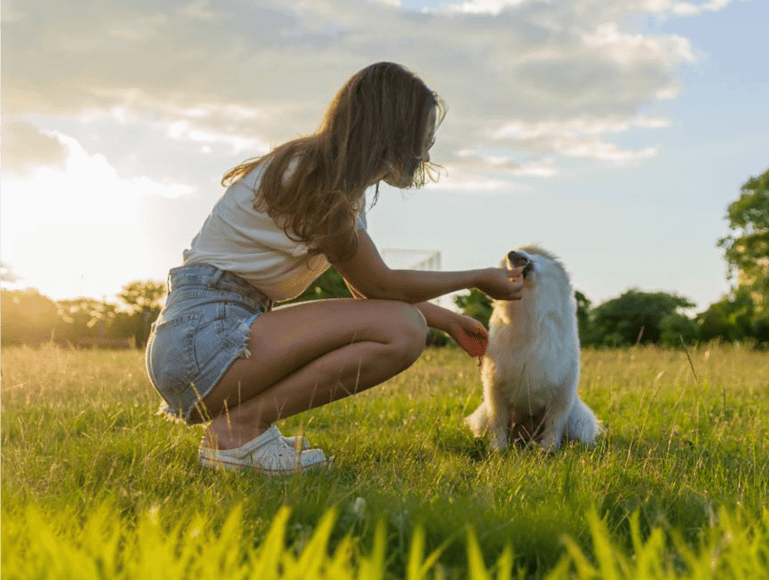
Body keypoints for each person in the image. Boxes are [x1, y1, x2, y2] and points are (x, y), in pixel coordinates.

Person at [145, 62, 524, 474]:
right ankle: (239, 432)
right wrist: (478, 278)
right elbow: (381, 284)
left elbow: (371, 293)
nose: (426, 154)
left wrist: (448, 320)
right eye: (423, 140)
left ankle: (241, 430)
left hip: (208, 336)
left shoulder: (334, 183)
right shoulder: (313, 178)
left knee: (401, 323)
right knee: (403, 329)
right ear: (393, 131)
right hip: (202, 340)